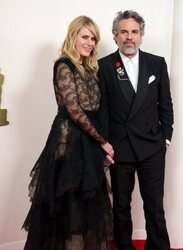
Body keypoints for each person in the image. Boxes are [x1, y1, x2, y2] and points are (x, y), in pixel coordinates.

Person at [22, 15, 115, 250]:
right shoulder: (64, 65)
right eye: (85, 36)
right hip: (69, 141)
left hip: (89, 140)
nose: (90, 43)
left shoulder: (90, 68)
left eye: (93, 38)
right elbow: (74, 111)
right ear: (73, 36)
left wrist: (102, 144)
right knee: (69, 205)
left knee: (89, 205)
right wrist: (103, 142)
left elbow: (97, 110)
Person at [98, 10, 174, 250]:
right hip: (120, 148)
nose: (129, 37)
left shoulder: (156, 63)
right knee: (120, 206)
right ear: (115, 36)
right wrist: (106, 146)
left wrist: (166, 139)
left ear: (141, 35)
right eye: (124, 32)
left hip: (152, 147)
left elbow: (166, 104)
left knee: (155, 206)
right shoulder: (106, 66)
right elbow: (103, 112)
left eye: (134, 32)